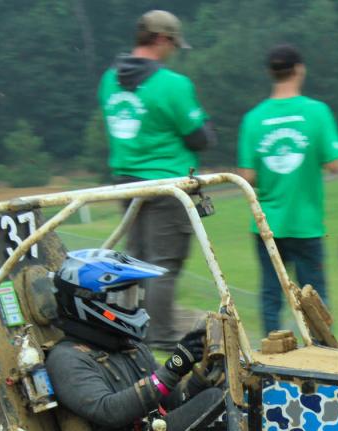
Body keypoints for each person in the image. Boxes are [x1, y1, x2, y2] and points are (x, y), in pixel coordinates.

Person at [98, 9, 215, 350]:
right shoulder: (172, 84)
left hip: (127, 180)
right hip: (168, 183)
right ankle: (160, 337)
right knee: (164, 264)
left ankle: (129, 331)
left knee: (134, 259)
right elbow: (200, 138)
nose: (173, 52)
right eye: (173, 45)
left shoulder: (109, 80)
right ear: (162, 40)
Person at [45, 249, 222, 431]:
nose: (132, 305)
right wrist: (174, 368)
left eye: (133, 296)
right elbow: (109, 410)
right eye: (123, 298)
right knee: (214, 399)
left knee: (221, 393)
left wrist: (201, 373)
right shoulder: (67, 358)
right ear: (89, 302)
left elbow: (172, 401)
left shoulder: (130, 347)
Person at [237, 44, 338, 336]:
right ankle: (323, 359)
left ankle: (275, 361)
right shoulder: (317, 112)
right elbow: (336, 163)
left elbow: (247, 175)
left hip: (266, 223)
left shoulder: (253, 119)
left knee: (272, 296)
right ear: (299, 69)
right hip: (306, 223)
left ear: (271, 73)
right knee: (315, 298)